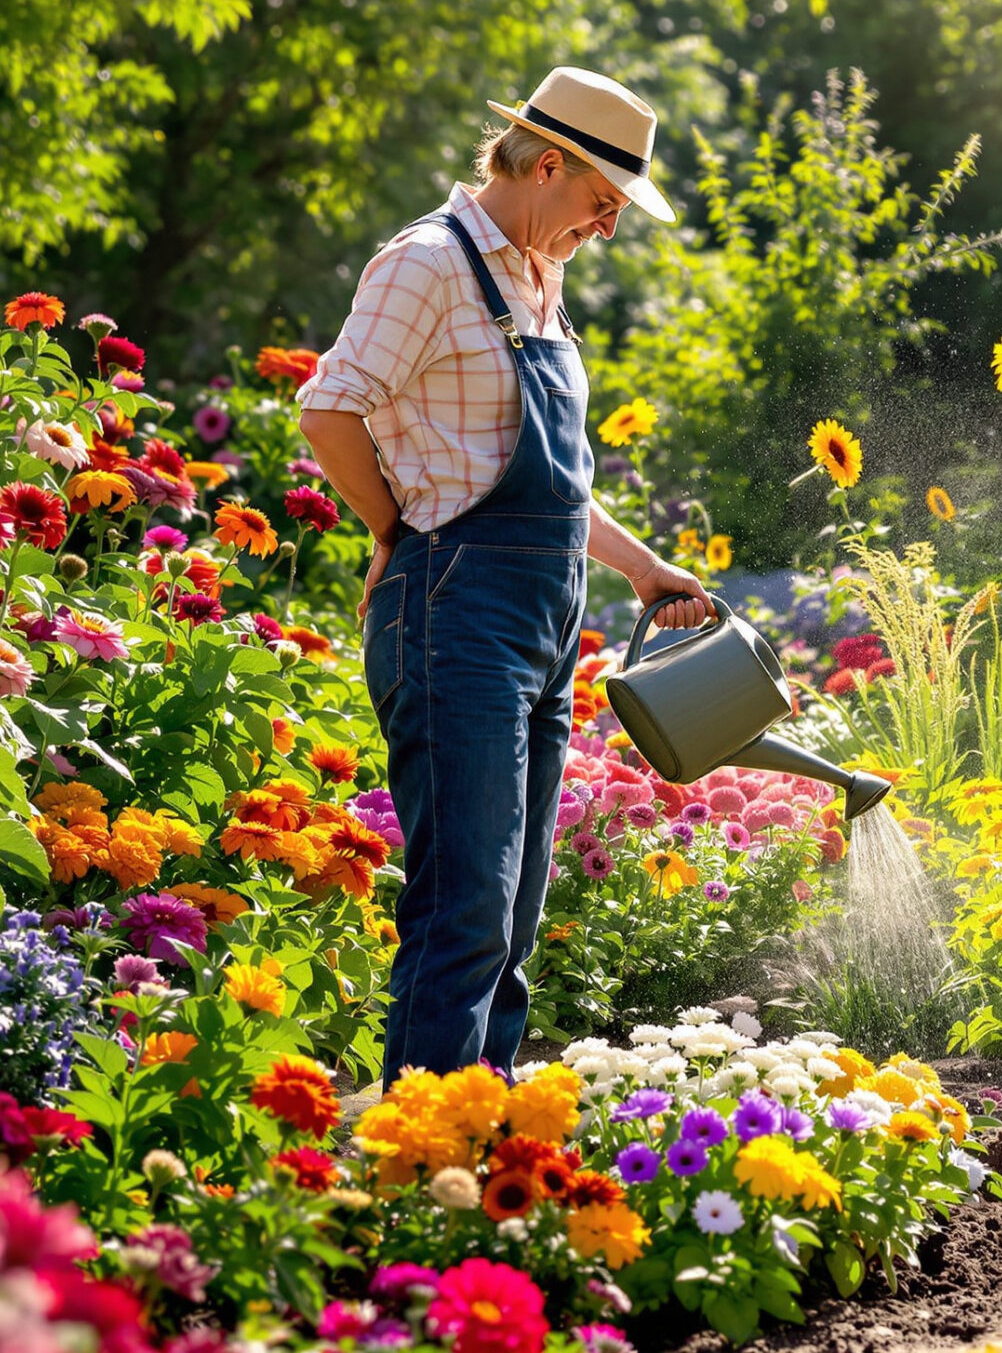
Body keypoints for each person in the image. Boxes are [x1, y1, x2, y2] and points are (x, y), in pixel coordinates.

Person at [296, 67, 710, 1085]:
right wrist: (393, 530)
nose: (605, 228)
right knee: (464, 906)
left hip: (541, 620)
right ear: (544, 161)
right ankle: (414, 1160)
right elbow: (328, 406)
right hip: (454, 612)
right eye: (600, 203)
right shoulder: (428, 264)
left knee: (513, 914)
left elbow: (548, 492)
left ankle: (479, 1143)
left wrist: (646, 569)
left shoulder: (534, 276)